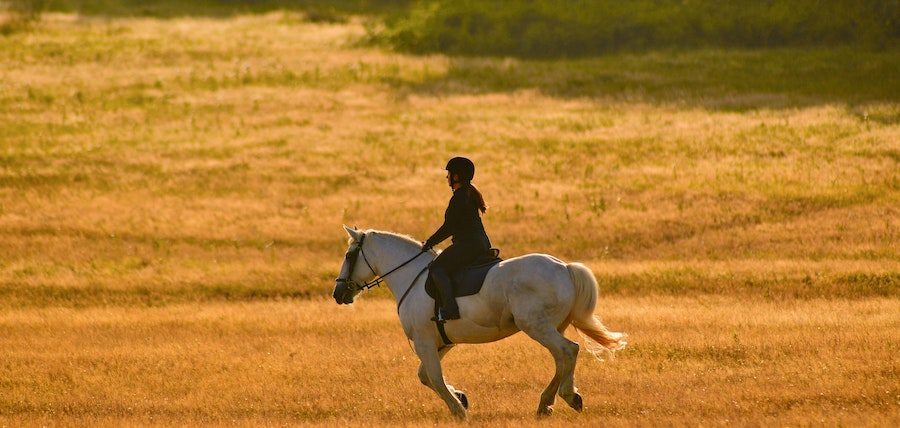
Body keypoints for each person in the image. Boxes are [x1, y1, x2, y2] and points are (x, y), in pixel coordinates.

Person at [422, 157, 492, 321]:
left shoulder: (459, 197)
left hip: (468, 246)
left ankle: (450, 309)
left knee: (436, 268)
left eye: (449, 173)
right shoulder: (468, 194)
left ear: (456, 176)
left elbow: (449, 227)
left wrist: (429, 243)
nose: (446, 177)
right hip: (482, 244)